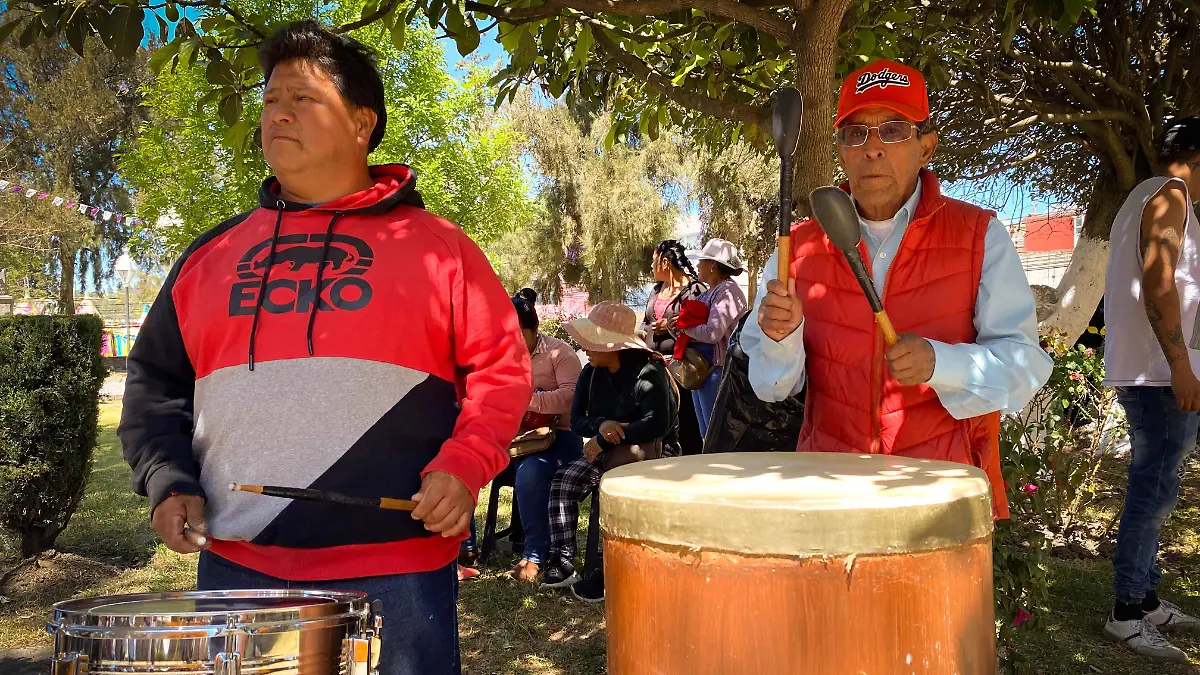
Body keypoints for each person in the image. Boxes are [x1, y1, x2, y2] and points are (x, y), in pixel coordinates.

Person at [117, 21, 532, 675]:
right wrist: (167, 481)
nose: (278, 113)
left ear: (363, 122)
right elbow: (155, 379)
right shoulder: (208, 256)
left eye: (303, 99)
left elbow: (501, 366)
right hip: (236, 567)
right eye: (270, 100)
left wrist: (466, 461)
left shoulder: (440, 247)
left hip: (398, 570)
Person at [742, 58, 1052, 520]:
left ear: (926, 147)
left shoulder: (979, 235)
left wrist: (939, 362)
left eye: (892, 130)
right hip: (830, 497)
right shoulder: (799, 248)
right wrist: (780, 338)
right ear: (841, 150)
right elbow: (771, 387)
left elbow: (1025, 367)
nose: (872, 149)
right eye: (855, 133)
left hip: (936, 500)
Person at [1101, 116, 1200, 662]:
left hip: (1159, 371)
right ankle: (1128, 613)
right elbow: (1159, 281)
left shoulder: (1152, 195)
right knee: (1154, 491)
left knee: (1160, 485)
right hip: (1159, 374)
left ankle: (1149, 596)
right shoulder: (1170, 197)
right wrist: (1181, 365)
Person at [540, 301, 680, 602]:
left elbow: (658, 424)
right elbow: (577, 420)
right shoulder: (590, 373)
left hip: (652, 455)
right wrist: (602, 424)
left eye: (592, 341)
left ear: (613, 346)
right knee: (564, 482)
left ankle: (611, 568)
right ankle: (562, 561)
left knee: (614, 496)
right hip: (608, 452)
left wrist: (607, 437)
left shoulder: (649, 371)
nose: (585, 348)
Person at [503, 288, 585, 583]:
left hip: (558, 438)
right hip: (514, 439)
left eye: (519, 334)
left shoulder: (559, 353)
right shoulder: (502, 355)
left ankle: (535, 554)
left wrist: (527, 400)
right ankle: (466, 548)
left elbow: (571, 397)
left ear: (535, 328)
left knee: (531, 472)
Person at [643, 239, 706, 454]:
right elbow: (646, 321)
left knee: (687, 424)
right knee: (662, 424)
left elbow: (701, 326)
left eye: (653, 261)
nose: (651, 267)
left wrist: (672, 326)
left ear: (665, 263)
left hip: (683, 370)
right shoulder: (656, 290)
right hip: (656, 369)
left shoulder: (695, 290)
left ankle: (691, 466)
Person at [681, 238, 748, 437]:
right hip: (705, 369)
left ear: (712, 265)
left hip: (717, 369)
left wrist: (683, 329)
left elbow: (712, 333)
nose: (697, 265)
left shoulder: (727, 291)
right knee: (708, 432)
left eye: (702, 261)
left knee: (715, 432)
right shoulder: (716, 292)